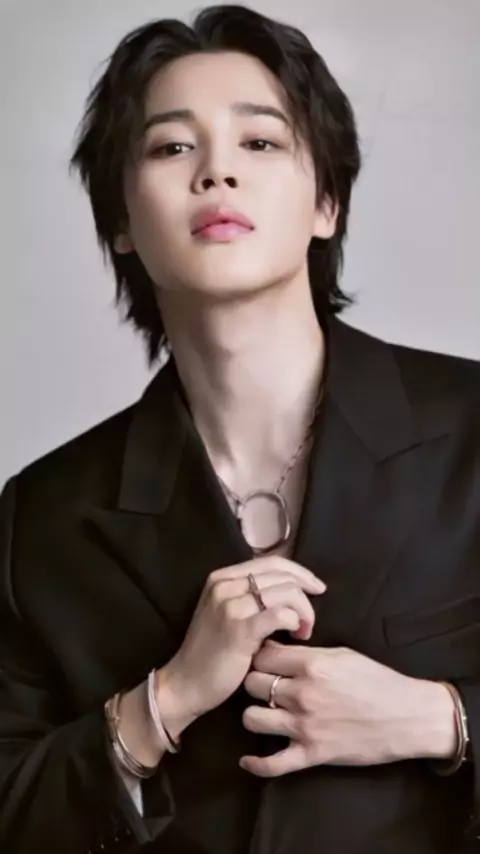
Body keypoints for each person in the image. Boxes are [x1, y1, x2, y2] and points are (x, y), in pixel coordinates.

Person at [0, 4, 479, 852]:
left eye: (259, 142)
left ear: (327, 202)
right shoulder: (41, 518)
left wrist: (438, 720)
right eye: (170, 147)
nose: (216, 171)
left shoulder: (471, 428)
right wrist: (161, 703)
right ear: (121, 221)